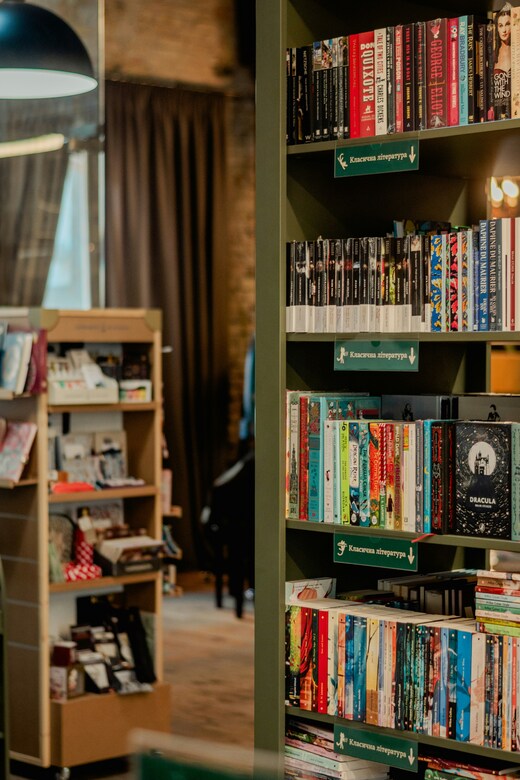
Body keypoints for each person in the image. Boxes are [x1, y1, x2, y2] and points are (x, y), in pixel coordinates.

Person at [494, 2, 512, 119]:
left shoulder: (516, 51)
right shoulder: (492, 54)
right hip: (497, 113)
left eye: (507, 24)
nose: (504, 30)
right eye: (500, 25)